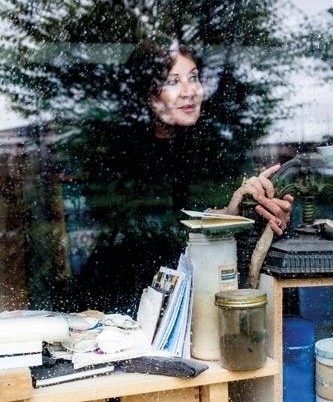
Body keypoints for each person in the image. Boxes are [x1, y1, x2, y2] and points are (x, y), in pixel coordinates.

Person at [76, 43, 293, 312]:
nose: (190, 91)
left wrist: (266, 212)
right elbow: (138, 233)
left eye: (193, 77)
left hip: (209, 292)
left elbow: (241, 231)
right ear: (148, 94)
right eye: (172, 81)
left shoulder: (220, 148)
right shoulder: (117, 155)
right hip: (129, 293)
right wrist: (220, 217)